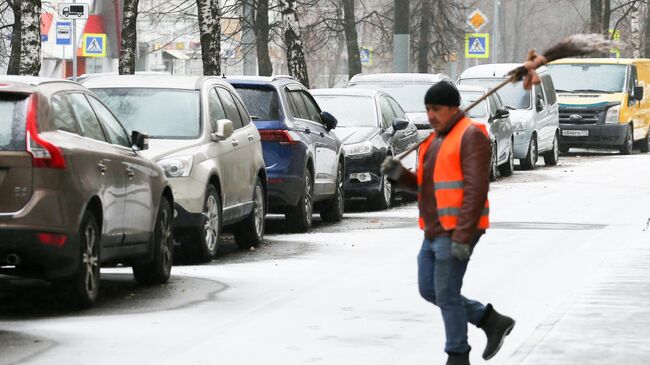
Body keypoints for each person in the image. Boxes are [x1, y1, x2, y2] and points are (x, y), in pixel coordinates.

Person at [381, 81, 515, 365]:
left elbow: (476, 190)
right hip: (434, 230)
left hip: (457, 230)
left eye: (436, 109)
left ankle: (457, 355)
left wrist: (463, 236)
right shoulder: (434, 140)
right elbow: (425, 188)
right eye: (428, 109)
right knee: (429, 290)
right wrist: (399, 175)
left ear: (454, 108)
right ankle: (489, 320)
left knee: (446, 292)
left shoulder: (471, 136)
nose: (430, 115)